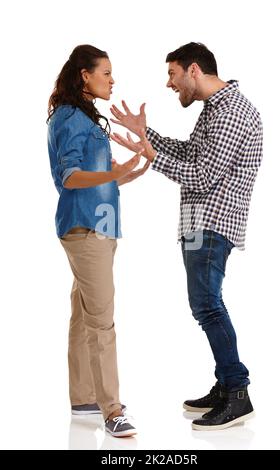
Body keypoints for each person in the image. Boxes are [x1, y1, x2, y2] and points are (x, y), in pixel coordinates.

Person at [109, 42, 263, 431]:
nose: (169, 83)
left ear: (194, 70)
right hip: (197, 221)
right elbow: (192, 153)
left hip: (213, 223)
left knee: (208, 304)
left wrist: (150, 155)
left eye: (172, 74)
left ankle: (238, 393)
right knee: (204, 305)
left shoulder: (231, 111)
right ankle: (227, 382)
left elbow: (200, 175)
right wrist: (148, 137)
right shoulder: (215, 108)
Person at [47, 44, 149, 438]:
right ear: (84, 75)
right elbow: (70, 177)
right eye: (106, 72)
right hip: (85, 229)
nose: (112, 79)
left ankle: (85, 398)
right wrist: (111, 175)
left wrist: (131, 170)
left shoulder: (86, 119)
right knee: (102, 322)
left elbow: (101, 178)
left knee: (83, 316)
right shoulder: (70, 118)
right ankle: (113, 410)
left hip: (99, 226)